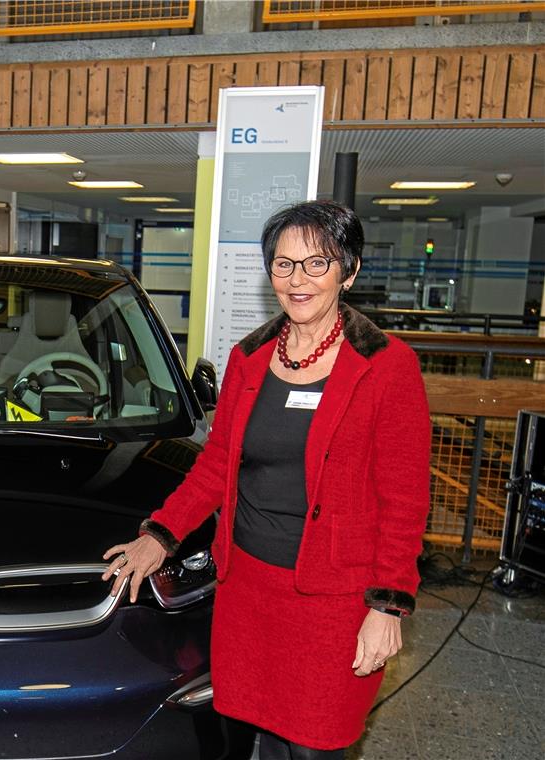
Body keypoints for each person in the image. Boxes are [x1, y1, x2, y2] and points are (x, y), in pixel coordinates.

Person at [103, 200, 430, 759]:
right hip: (250, 593)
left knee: (315, 747)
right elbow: (217, 464)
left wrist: (387, 607)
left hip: (334, 603)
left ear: (348, 272)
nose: (297, 280)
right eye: (283, 265)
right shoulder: (250, 358)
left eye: (316, 263)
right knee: (263, 743)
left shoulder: (386, 366)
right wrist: (160, 535)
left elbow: (404, 499)